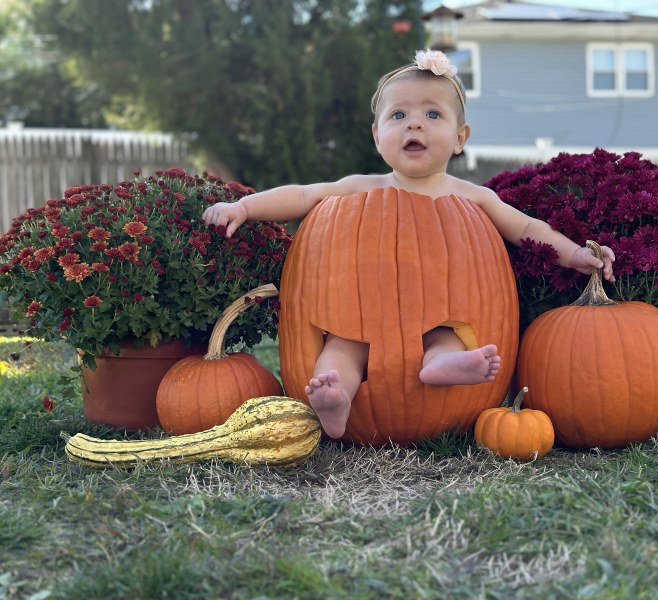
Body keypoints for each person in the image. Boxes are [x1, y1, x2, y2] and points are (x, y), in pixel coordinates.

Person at [202, 49, 615, 439]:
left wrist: (575, 254)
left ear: (459, 137)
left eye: (432, 113)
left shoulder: (473, 198)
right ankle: (335, 397)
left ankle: (443, 366)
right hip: (358, 314)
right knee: (339, 352)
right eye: (398, 114)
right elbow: (304, 195)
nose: (414, 124)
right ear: (377, 136)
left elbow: (528, 228)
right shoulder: (357, 189)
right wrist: (244, 206)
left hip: (438, 313)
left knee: (444, 340)